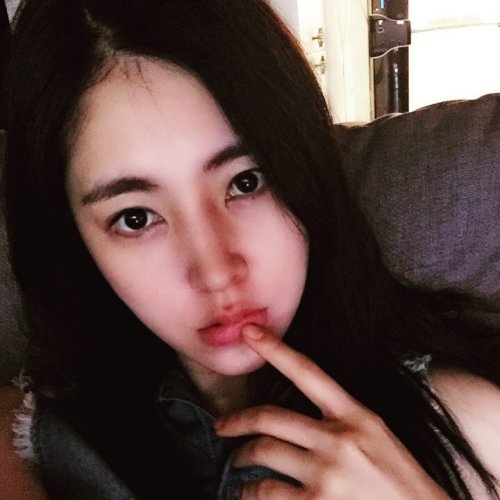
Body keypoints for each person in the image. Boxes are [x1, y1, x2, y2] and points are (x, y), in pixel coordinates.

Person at [0, 0, 499, 498]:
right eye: (136, 218)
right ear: (74, 238)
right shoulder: (34, 444)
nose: (216, 272)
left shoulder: (469, 425)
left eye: (246, 182)